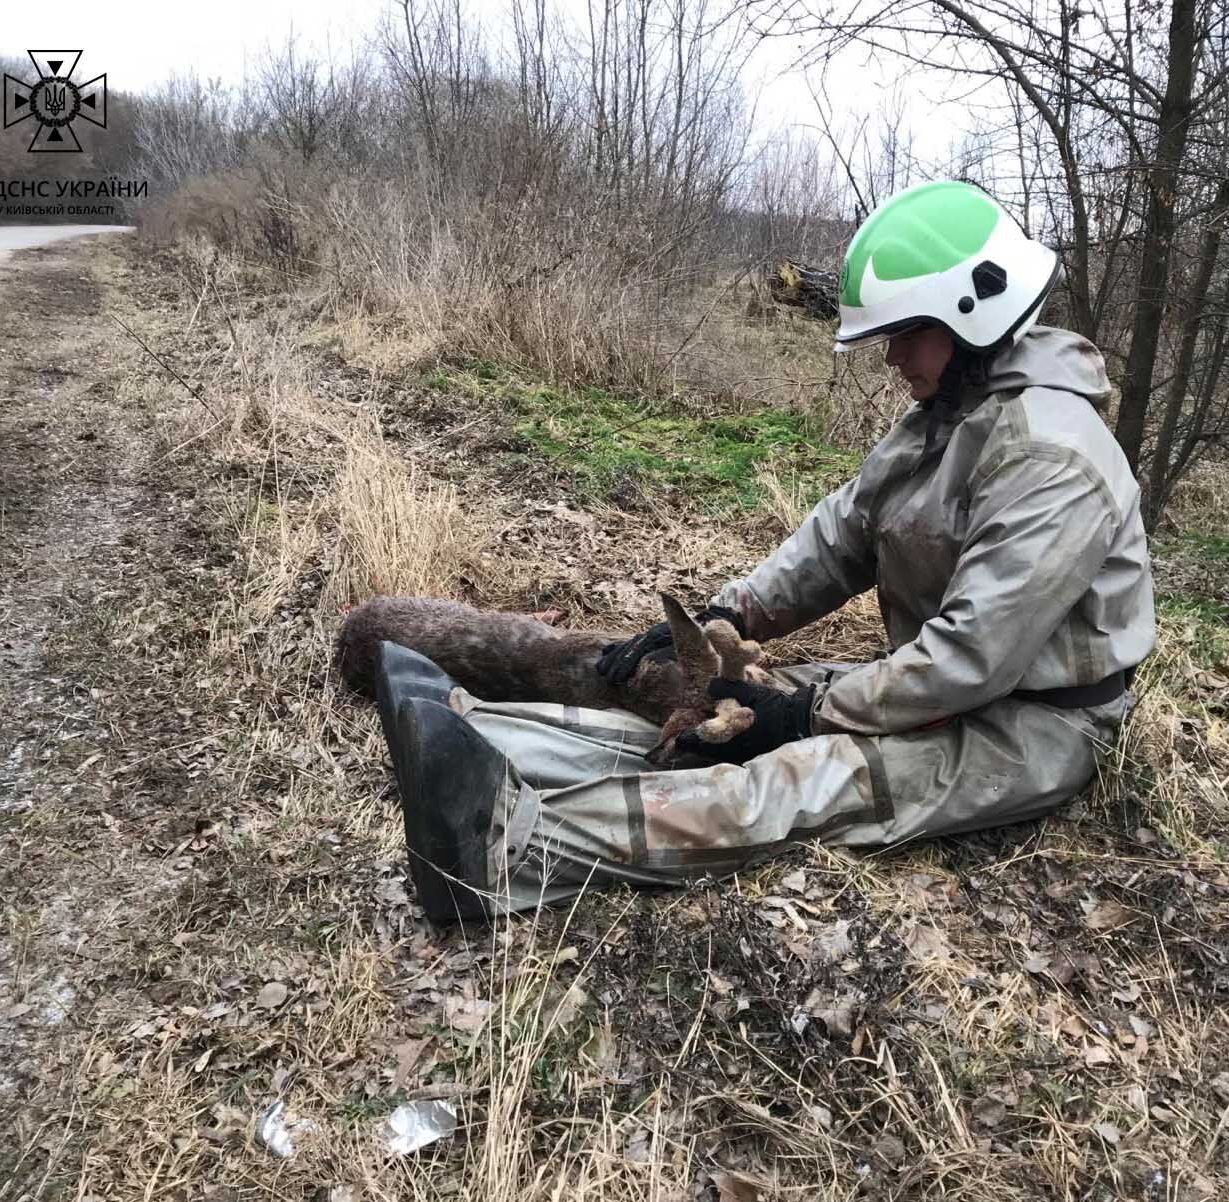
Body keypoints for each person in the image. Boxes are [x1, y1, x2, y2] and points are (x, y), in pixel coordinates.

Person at [377, 180, 1156, 924]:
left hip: (1031, 729)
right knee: (724, 709)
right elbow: (842, 534)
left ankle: (502, 850)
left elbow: (971, 659)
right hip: (954, 692)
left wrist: (805, 716)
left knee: (793, 781)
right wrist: (732, 611)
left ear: (972, 313)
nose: (891, 361)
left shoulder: (1052, 457)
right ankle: (476, 733)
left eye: (903, 336)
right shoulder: (946, 418)